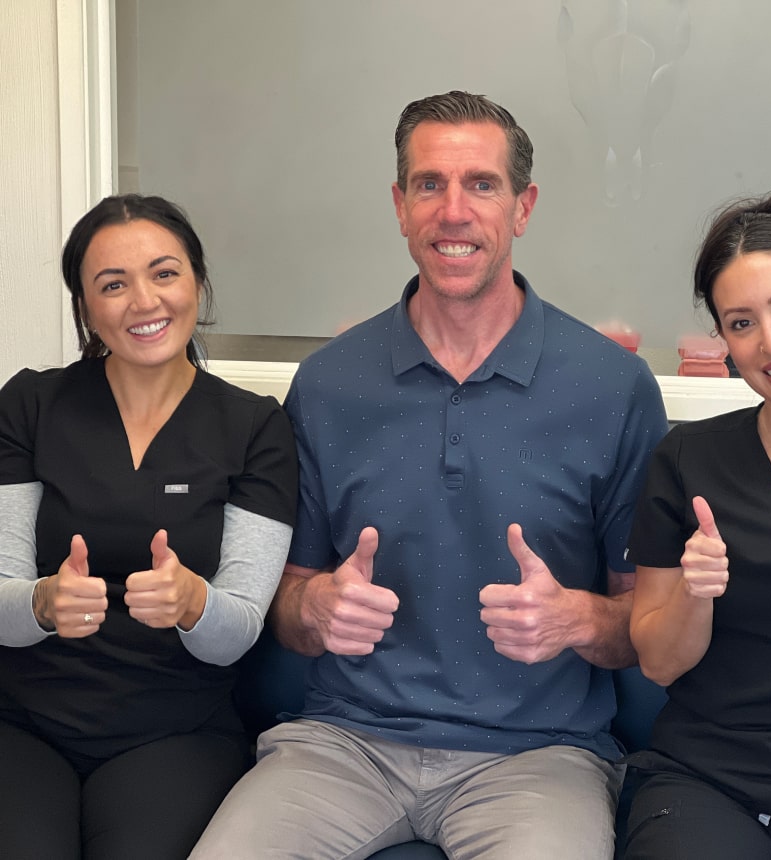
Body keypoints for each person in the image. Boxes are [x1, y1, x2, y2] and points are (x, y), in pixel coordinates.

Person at [192, 90, 667, 860]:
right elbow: (286, 604)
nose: (453, 211)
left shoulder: (611, 389)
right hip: (343, 746)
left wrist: (576, 619)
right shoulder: (329, 384)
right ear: (400, 206)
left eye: (481, 184)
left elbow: (648, 623)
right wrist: (316, 608)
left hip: (537, 757)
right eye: (429, 185)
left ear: (523, 208)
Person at [0, 194, 298, 859]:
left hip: (176, 731)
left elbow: (239, 631)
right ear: (85, 307)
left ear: (197, 281)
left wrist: (193, 603)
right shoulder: (29, 405)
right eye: (113, 284)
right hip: (22, 721)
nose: (144, 301)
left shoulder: (256, 428)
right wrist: (41, 602)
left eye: (164, 273)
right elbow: (0, 596)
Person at [623, 189, 771, 859]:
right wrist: (695, 592)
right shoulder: (688, 459)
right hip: (705, 781)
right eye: (741, 322)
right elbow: (658, 662)